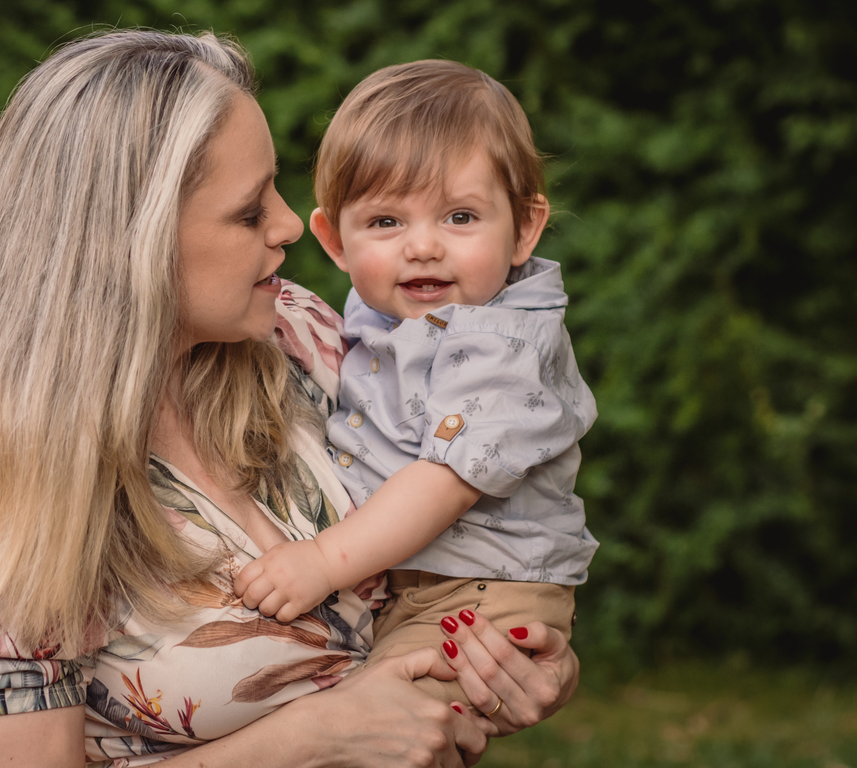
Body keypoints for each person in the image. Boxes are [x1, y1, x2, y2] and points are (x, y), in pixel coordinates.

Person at [0, 31, 579, 768]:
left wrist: (518, 664)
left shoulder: (298, 336)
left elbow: (467, 529)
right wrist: (312, 738)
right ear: (132, 240)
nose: (291, 225)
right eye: (249, 212)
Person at [235, 60, 597, 710]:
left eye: (460, 216)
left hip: (485, 592)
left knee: (385, 719)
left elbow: (443, 483)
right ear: (335, 241)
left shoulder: (504, 344)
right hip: (417, 583)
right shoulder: (369, 316)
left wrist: (321, 561)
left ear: (524, 227)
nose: (423, 246)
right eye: (386, 222)